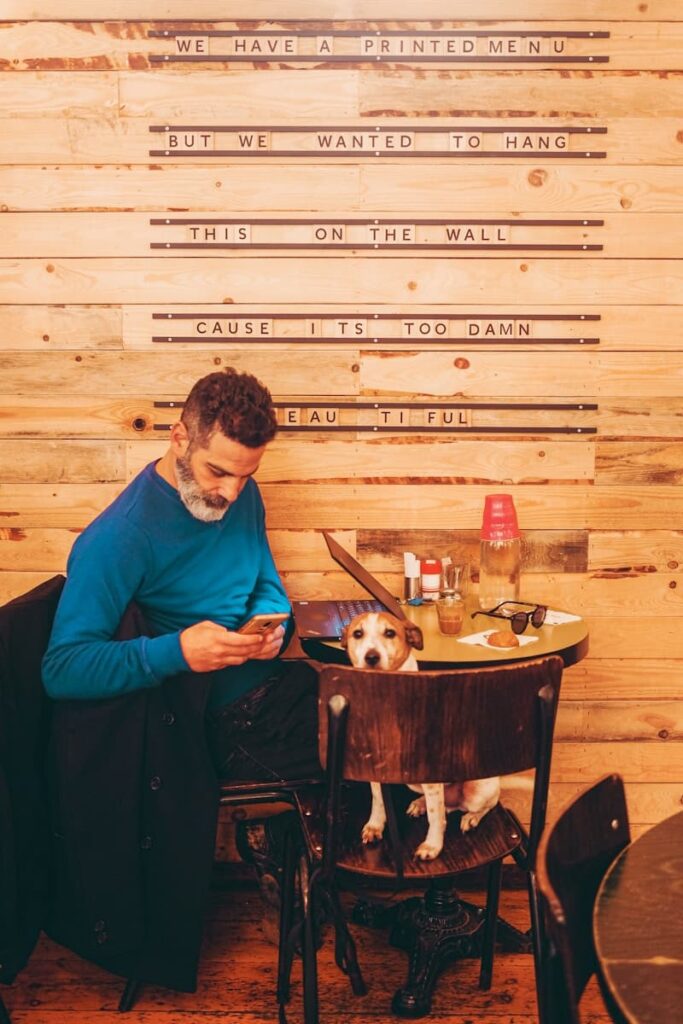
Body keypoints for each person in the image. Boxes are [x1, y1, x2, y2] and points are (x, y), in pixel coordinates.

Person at [43, 366, 320, 817]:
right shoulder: (120, 536)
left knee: (383, 715)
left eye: (246, 475)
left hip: (274, 691)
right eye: (218, 471)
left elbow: (266, 583)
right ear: (178, 438)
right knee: (375, 751)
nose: (231, 493)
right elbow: (62, 669)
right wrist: (178, 652)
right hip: (208, 721)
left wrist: (275, 625)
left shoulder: (241, 494)